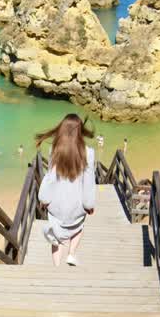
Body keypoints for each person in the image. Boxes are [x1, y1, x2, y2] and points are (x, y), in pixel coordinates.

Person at [36, 113, 97, 267]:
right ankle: (71, 254)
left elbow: (50, 178)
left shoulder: (54, 150)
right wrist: (89, 204)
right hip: (76, 206)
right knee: (78, 227)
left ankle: (57, 267)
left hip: (56, 204)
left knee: (55, 238)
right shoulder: (88, 153)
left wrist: (44, 199)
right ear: (80, 131)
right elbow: (89, 182)